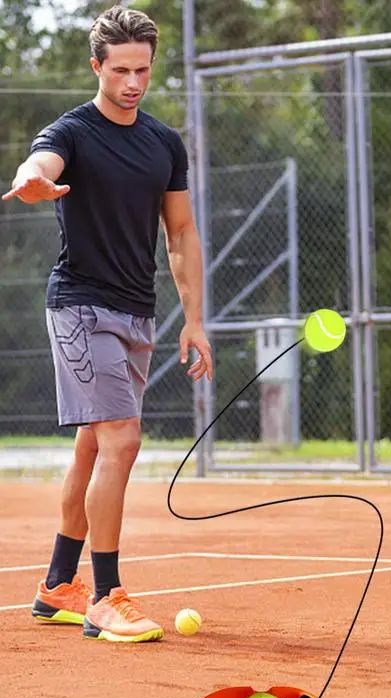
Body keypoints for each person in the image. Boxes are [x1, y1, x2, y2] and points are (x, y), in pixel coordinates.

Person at [2, 6, 213, 643]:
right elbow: (37, 167)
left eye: (142, 69)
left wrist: (195, 319)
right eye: (119, 69)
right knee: (122, 439)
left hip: (136, 310)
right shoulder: (71, 132)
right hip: (80, 305)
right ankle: (105, 593)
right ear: (96, 65)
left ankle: (58, 585)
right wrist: (32, 183)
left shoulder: (163, 142)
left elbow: (179, 232)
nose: (132, 81)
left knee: (94, 445)